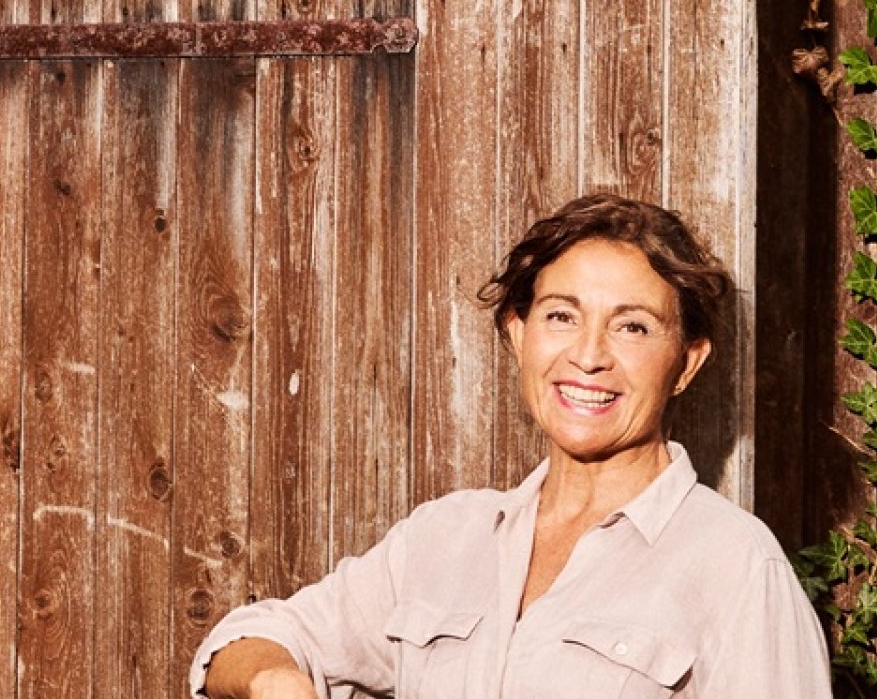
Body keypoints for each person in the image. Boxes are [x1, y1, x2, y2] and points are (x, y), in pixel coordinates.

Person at [189, 193, 833, 699]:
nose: (588, 355)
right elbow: (249, 639)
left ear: (687, 362)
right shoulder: (443, 540)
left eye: (632, 327)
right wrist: (277, 680)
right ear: (519, 334)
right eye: (561, 316)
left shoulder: (736, 568)